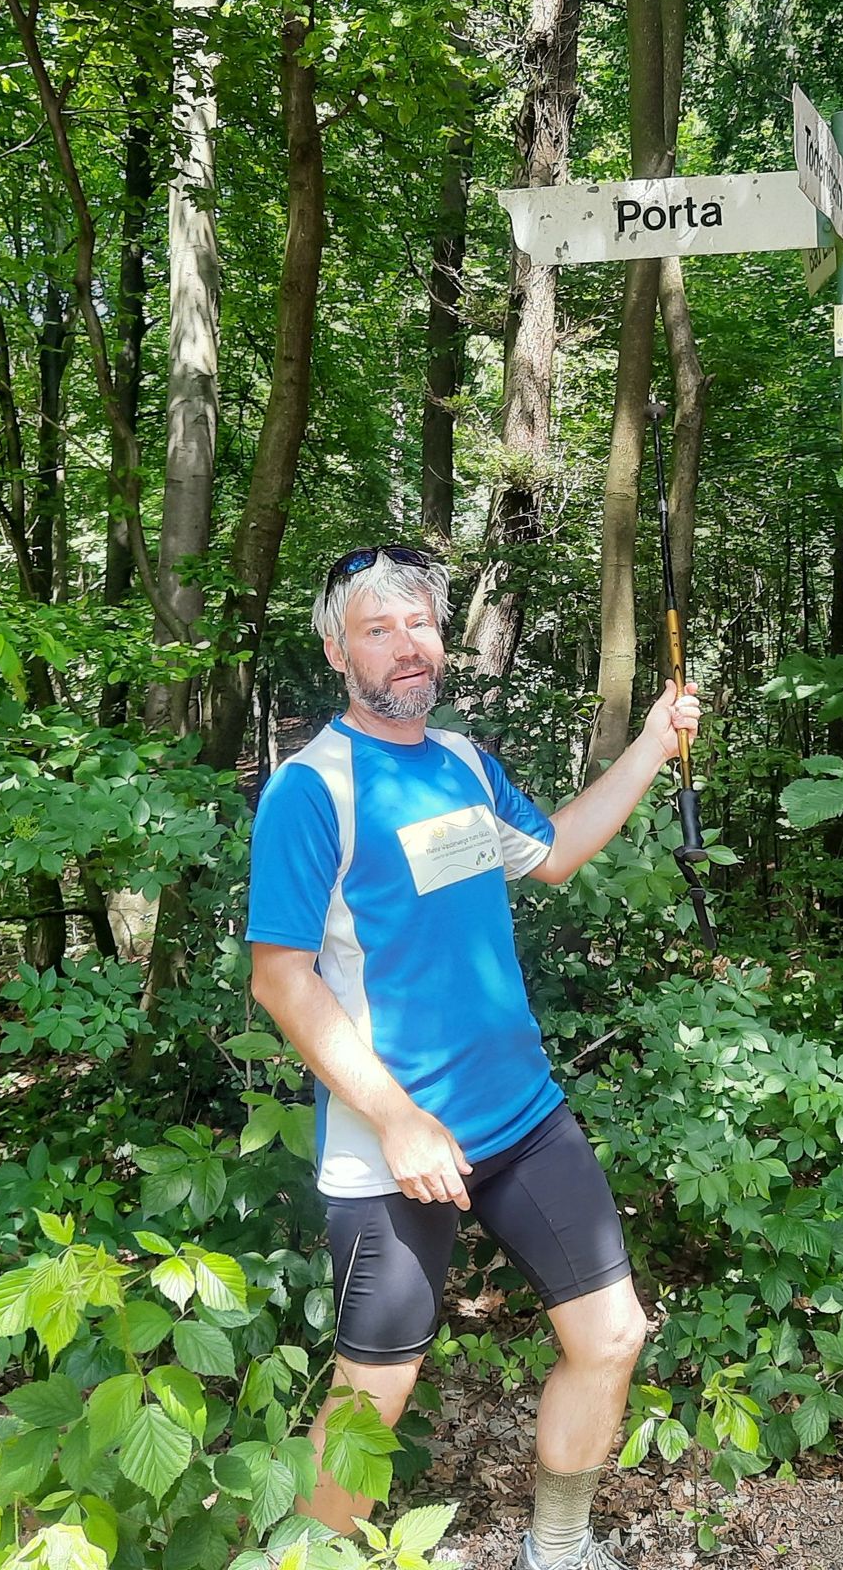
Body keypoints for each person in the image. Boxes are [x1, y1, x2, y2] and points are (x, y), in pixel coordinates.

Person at [246, 545, 702, 1570]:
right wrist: (398, 1118)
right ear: (335, 649)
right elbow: (281, 980)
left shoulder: (459, 759)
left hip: (521, 1115)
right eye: (378, 629)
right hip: (392, 1141)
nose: (406, 647)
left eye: (420, 625)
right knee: (372, 1398)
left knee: (613, 1335)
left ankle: (558, 1547)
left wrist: (648, 742)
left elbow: (554, 853)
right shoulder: (310, 791)